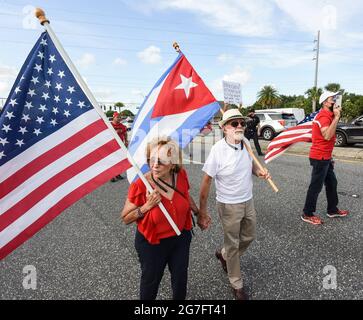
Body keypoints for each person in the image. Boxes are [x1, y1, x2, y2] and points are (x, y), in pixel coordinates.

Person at [198, 109, 271, 300]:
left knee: (249, 237)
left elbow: (252, 166)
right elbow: (206, 181)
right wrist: (202, 212)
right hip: (228, 205)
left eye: (242, 123)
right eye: (234, 123)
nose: (240, 126)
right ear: (224, 128)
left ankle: (224, 254)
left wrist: (260, 172)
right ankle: (236, 283)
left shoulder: (246, 143)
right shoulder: (217, 150)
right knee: (233, 244)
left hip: (248, 200)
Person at [121, 137, 200, 300]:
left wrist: (199, 213)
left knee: (180, 278)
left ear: (173, 163)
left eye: (161, 161)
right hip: (153, 243)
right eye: (151, 159)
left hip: (180, 237)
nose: (155, 165)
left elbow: (185, 195)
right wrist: (146, 207)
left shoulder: (180, 175)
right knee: (151, 281)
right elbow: (126, 218)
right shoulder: (141, 184)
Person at [301, 91, 349, 225]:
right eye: (331, 99)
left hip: (326, 156)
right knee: (315, 187)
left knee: (332, 183)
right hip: (319, 157)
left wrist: (330, 157)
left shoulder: (329, 114)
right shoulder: (323, 116)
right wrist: (336, 118)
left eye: (334, 98)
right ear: (324, 102)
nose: (334, 100)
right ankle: (307, 213)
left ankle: (332, 210)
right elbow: (327, 135)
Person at [111, 112, 128, 182]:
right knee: (112, 160)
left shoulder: (122, 126)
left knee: (119, 160)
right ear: (113, 117)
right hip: (111, 145)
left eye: (119, 117)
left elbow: (125, 133)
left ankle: (117, 174)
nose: (119, 118)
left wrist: (126, 141)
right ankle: (112, 175)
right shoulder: (109, 125)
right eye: (117, 117)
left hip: (120, 146)